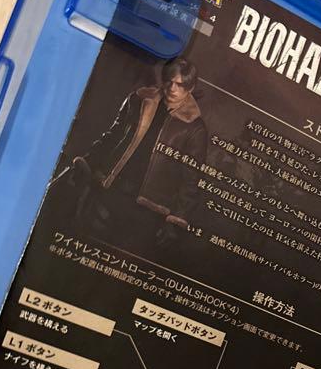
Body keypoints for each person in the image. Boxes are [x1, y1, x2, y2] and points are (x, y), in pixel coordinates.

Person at [57, 56, 208, 242]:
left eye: (180, 84)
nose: (172, 88)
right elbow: (112, 135)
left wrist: (178, 218)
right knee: (81, 238)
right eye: (169, 81)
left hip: (148, 207)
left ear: (190, 88)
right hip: (109, 186)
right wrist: (87, 162)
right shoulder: (138, 99)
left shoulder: (195, 127)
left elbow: (191, 178)